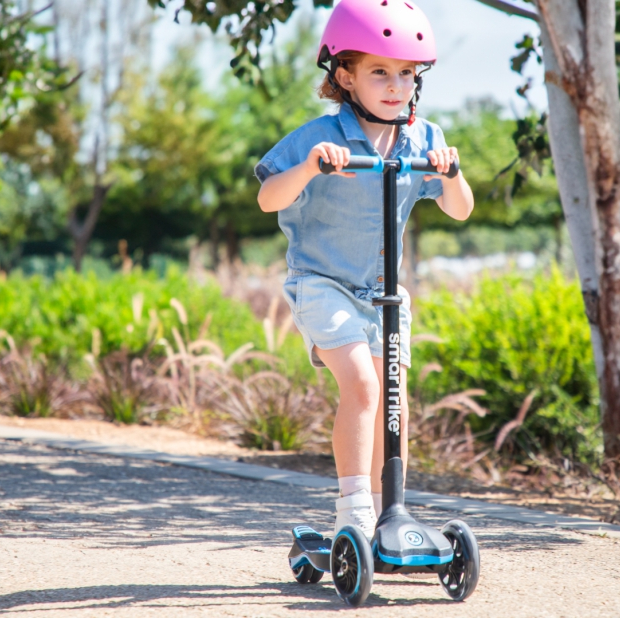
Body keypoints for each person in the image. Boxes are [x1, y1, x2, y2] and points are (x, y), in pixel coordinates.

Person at [254, 0, 474, 539]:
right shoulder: (318, 136)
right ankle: (352, 511)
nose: (396, 85)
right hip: (322, 285)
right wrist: (309, 167)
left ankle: (386, 512)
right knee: (363, 386)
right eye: (380, 71)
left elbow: (461, 209)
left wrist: (451, 174)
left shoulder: (424, 138)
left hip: (384, 293)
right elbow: (266, 198)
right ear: (345, 75)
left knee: (392, 397)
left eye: (406, 73)